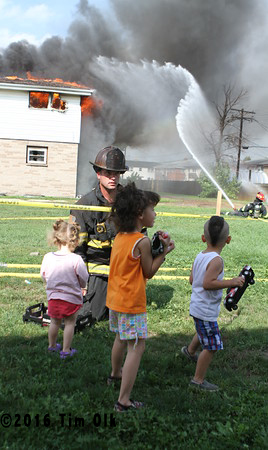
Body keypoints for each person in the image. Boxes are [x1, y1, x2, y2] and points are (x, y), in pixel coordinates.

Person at [106, 183, 175, 412]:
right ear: (139, 214)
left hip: (115, 299)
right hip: (132, 302)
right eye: (152, 210)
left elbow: (130, 264)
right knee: (137, 346)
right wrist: (164, 252)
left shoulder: (120, 236)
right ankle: (123, 401)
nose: (155, 214)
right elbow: (148, 272)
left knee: (120, 339)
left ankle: (115, 374)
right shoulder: (142, 241)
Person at [181, 216, 245, 391]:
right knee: (212, 346)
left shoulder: (200, 255)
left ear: (204, 238)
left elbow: (192, 280)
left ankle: (190, 352)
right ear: (228, 240)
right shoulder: (216, 260)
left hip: (197, 306)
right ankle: (198, 380)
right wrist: (231, 282)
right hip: (205, 309)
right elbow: (207, 284)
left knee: (202, 330)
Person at [70, 146, 128, 323]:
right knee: (94, 315)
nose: (113, 177)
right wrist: (81, 283)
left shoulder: (130, 201)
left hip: (125, 270)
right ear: (98, 173)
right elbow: (78, 250)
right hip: (99, 271)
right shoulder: (84, 206)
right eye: (108, 172)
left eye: (117, 173)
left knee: (123, 312)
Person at [40, 219, 89, 359]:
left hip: (54, 297)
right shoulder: (76, 259)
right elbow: (83, 277)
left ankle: (52, 346)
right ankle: (66, 350)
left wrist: (50, 284)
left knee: (54, 322)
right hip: (71, 298)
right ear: (75, 241)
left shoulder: (48, 257)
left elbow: (43, 275)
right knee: (70, 323)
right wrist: (82, 286)